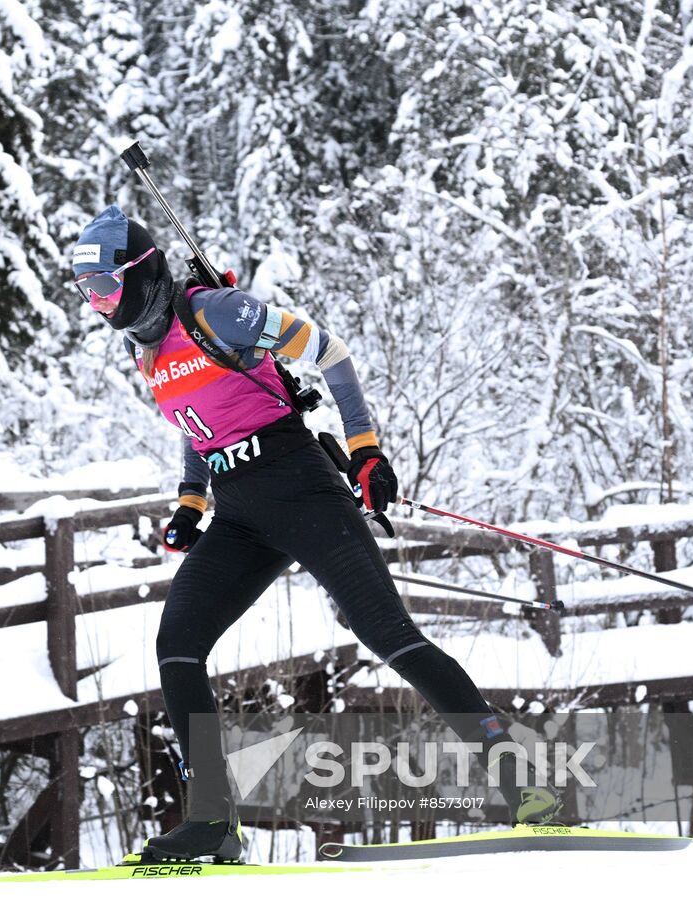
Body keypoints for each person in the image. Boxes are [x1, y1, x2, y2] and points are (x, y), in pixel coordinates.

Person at [71, 205, 558, 863]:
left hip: (301, 487)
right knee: (178, 642)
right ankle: (215, 820)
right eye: (87, 292)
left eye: (103, 287)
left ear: (139, 273)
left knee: (388, 633)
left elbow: (330, 350)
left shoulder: (216, 311)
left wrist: (365, 448)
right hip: (240, 511)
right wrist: (191, 501)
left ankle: (519, 779)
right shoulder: (145, 347)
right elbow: (196, 421)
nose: (99, 304)